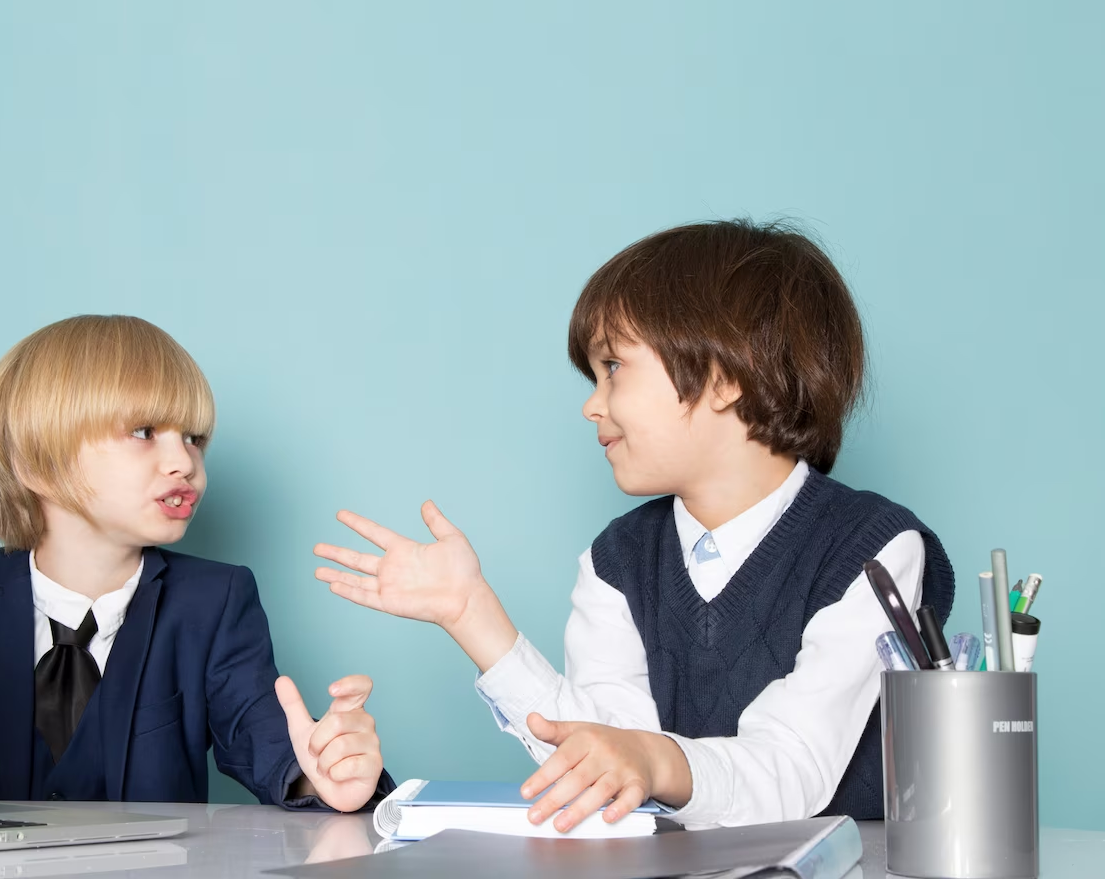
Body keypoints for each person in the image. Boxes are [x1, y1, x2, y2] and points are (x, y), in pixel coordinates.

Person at [313, 219, 953, 829]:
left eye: (613, 368)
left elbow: (792, 767)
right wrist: (471, 616)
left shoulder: (872, 548)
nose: (592, 404)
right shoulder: (618, 559)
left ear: (725, 376)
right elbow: (602, 755)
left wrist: (653, 761)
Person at [0, 314, 392, 810]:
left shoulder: (214, 602)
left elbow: (272, 748)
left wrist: (325, 773)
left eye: (194, 438)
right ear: (34, 462)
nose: (184, 462)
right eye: (144, 432)